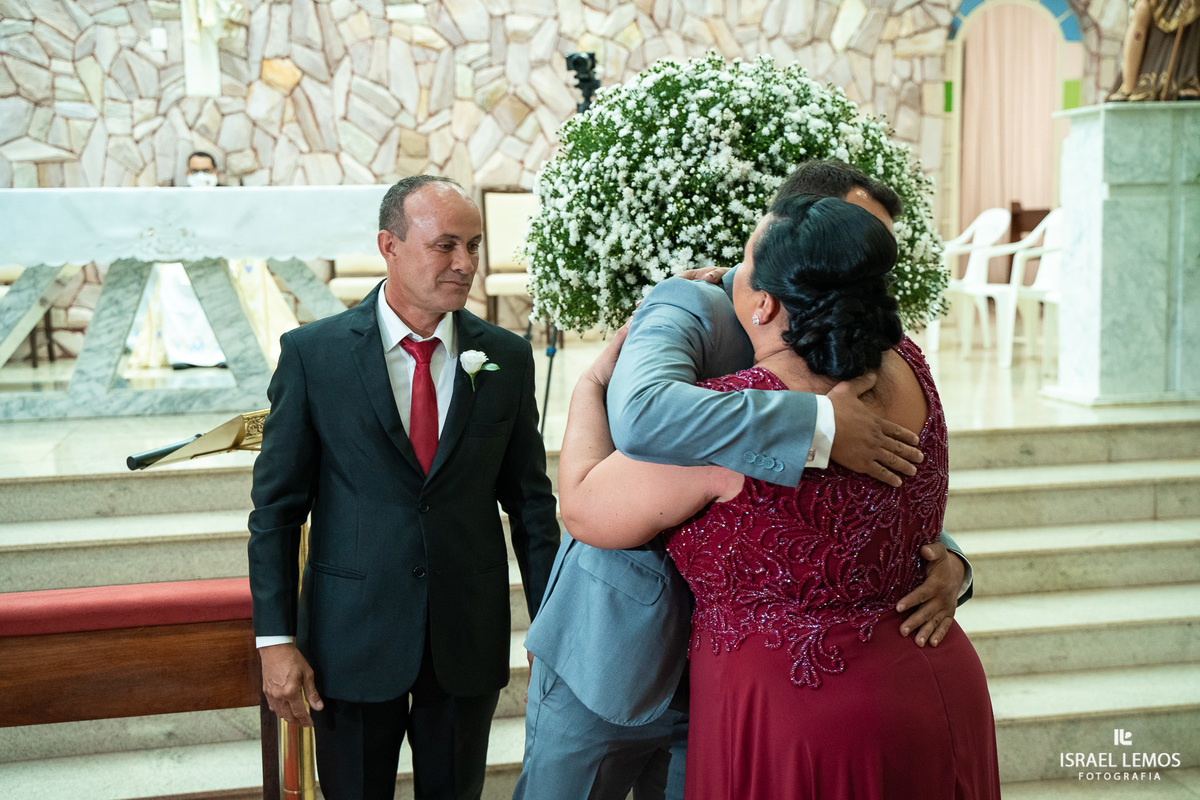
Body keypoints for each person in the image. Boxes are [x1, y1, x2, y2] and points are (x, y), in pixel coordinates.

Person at [514, 161, 973, 800]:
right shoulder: (689, 305)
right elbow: (640, 420)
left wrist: (948, 558)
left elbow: (887, 490)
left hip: (758, 678)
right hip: (621, 642)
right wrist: (815, 421)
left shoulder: (882, 360)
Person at [248, 175, 561, 800]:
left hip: (465, 633)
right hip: (352, 636)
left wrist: (556, 628)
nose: (465, 263)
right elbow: (277, 511)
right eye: (445, 245)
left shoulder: (504, 357)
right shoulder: (315, 356)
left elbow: (530, 505)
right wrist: (275, 641)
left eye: (472, 245)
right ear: (389, 245)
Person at [1109, 0, 1198, 101]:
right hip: (1149, 81)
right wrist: (1128, 88)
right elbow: (1138, 32)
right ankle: (1128, 87)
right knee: (1142, 10)